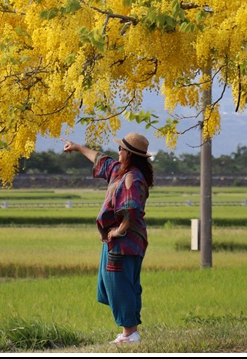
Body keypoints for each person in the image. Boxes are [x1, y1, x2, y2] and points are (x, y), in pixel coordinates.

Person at [62, 132, 154, 344]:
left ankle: (130, 334)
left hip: (124, 243)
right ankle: (128, 332)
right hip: (116, 241)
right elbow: (99, 159)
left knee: (119, 283)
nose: (118, 151)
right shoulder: (119, 171)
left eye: (122, 149)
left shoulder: (132, 177)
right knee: (112, 283)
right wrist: (77, 147)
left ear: (129, 154)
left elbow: (130, 209)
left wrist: (119, 231)